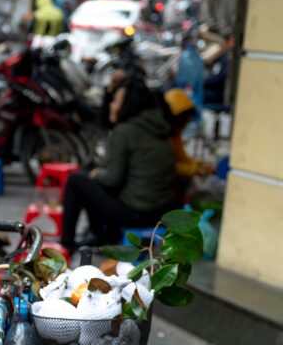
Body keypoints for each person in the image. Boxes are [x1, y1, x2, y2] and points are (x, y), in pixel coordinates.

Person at [60, 77, 177, 251]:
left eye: (116, 101)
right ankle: (100, 233)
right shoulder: (157, 127)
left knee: (77, 180)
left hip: (138, 213)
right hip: (160, 212)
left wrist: (97, 174)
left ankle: (66, 244)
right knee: (90, 177)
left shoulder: (125, 132)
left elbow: (112, 179)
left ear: (128, 105)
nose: (111, 105)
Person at [164, 88, 215, 178]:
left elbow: (182, 158)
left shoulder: (175, 134)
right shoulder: (162, 137)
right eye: (184, 122)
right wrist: (196, 169)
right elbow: (168, 167)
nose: (185, 126)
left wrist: (200, 164)